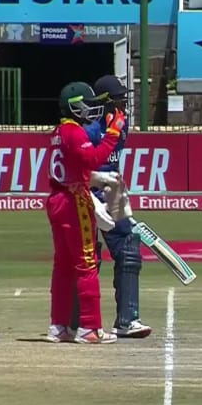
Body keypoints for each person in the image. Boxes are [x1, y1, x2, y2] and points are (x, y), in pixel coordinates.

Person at [46, 81, 126, 344]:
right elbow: (91, 159)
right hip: (73, 200)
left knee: (64, 266)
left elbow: (79, 166)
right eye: (87, 105)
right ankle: (90, 328)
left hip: (57, 198)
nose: (91, 110)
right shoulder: (74, 133)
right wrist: (113, 134)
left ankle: (58, 327)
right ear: (75, 106)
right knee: (86, 264)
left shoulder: (59, 131)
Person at [82, 75, 152, 338]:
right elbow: (81, 166)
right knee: (87, 256)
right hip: (87, 189)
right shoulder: (89, 128)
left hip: (112, 188)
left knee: (129, 245)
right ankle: (79, 322)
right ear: (104, 102)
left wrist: (120, 193)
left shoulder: (122, 125)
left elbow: (112, 162)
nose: (123, 103)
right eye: (118, 98)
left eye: (124, 98)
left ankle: (127, 320)